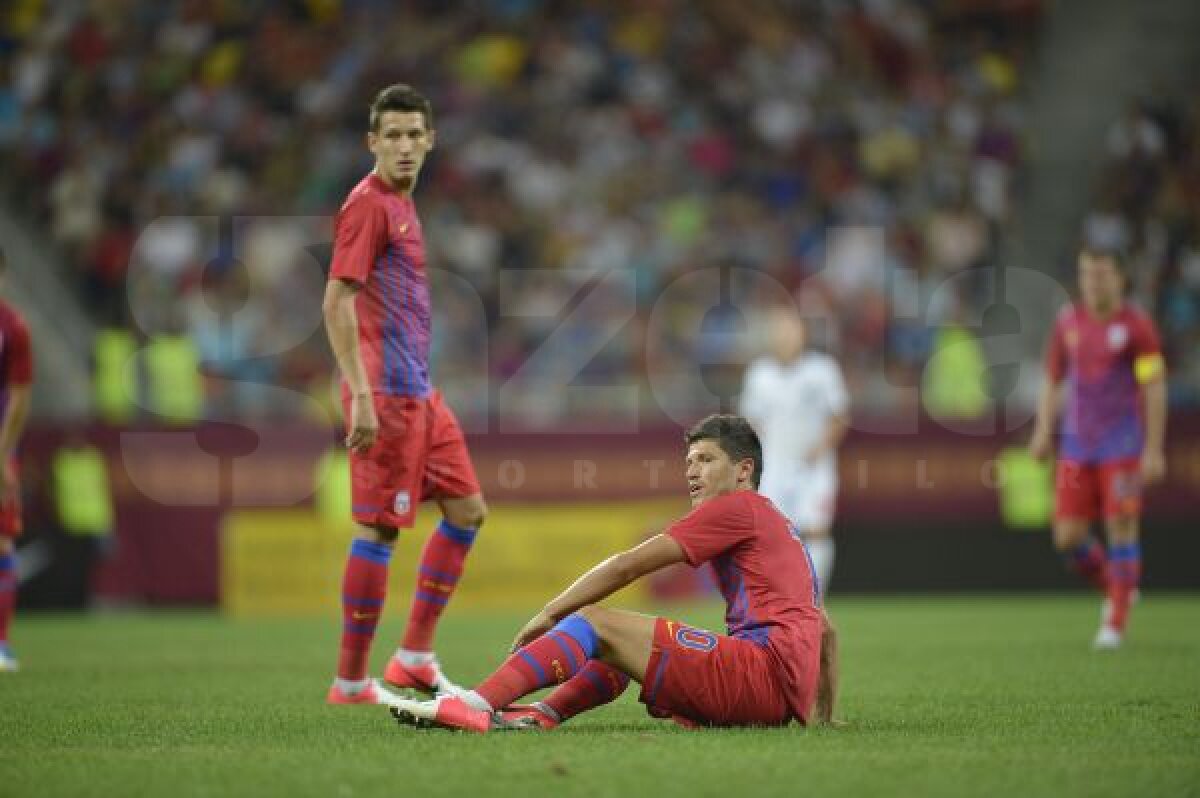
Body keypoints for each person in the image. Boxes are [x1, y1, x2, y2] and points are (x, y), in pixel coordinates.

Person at [387, 415, 838, 732]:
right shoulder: (777, 523)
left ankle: (471, 705)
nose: (692, 473)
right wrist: (819, 715)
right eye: (688, 463)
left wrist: (551, 612)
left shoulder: (737, 508)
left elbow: (626, 566)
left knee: (595, 623)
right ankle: (539, 716)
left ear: (744, 471)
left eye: (705, 460)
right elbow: (825, 629)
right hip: (775, 696)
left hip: (757, 677)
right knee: (616, 652)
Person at [322, 84, 487, 704]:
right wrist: (360, 395)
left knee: (468, 511)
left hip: (419, 389)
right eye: (392, 135)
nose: (405, 146)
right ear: (372, 142)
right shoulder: (367, 206)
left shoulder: (404, 205)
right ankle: (350, 682)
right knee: (380, 531)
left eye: (415, 134)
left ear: (430, 140)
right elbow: (336, 300)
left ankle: (415, 656)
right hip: (384, 394)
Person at [1029, 247, 1167, 649]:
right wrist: (1042, 430)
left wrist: (1154, 449)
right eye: (1087, 273)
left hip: (1121, 444)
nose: (1093, 281)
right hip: (1076, 445)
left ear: (1121, 279)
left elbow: (1153, 385)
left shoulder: (1136, 327)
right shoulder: (1068, 324)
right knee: (1067, 537)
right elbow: (1052, 378)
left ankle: (1116, 623)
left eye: (1102, 274)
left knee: (1121, 527)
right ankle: (1117, 586)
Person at [739, 306, 849, 597]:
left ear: (803, 334)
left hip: (814, 466)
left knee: (814, 530)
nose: (785, 337)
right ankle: (778, 599)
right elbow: (752, 421)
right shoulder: (759, 374)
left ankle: (815, 598)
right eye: (779, 331)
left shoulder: (823, 370)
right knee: (771, 535)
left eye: (791, 330)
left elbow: (839, 416)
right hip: (774, 466)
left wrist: (821, 448)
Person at [0, 247, 34, 672]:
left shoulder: (13, 327)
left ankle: (1, 642)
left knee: (2, 541)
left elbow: (21, 396)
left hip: (0, 445)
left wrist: (4, 454)